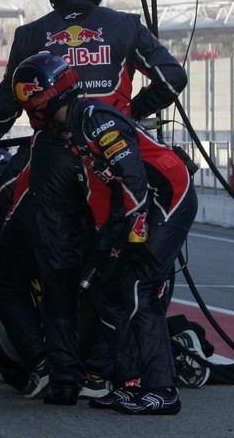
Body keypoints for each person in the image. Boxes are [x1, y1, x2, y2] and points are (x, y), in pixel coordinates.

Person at [0, 0, 187, 404]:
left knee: (56, 266)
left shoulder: (30, 34)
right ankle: (106, 370)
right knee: (122, 264)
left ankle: (64, 376)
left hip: (51, 158)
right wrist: (128, 114)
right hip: (115, 152)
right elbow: (172, 78)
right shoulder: (126, 26)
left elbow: (8, 102)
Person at [12, 53, 196, 414]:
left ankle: (162, 388)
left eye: (27, 98)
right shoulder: (75, 131)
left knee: (137, 286)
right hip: (139, 206)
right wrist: (104, 242)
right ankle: (129, 384)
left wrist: (136, 236)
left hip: (169, 196)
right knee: (107, 290)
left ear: (41, 97)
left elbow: (133, 179)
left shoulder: (95, 119)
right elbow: (101, 190)